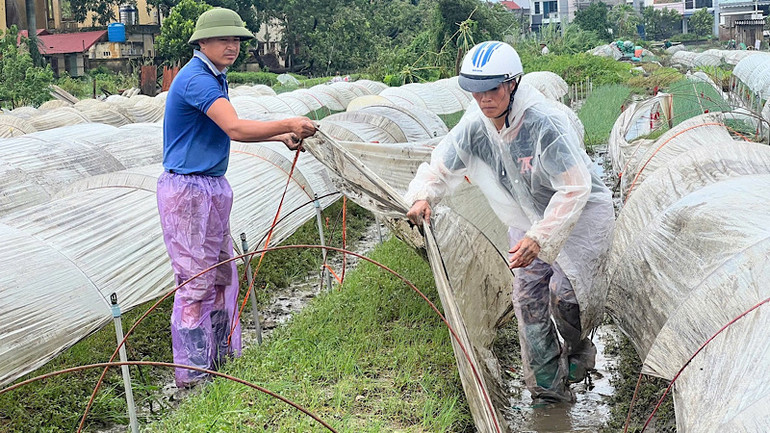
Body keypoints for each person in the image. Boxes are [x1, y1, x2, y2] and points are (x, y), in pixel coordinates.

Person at [405, 41, 614, 405]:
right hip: (525, 218)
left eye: (493, 90)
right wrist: (424, 195)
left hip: (578, 218)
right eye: (476, 92)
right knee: (528, 299)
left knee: (568, 297)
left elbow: (575, 187)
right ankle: (548, 390)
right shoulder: (475, 126)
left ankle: (579, 349)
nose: (484, 99)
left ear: (512, 85)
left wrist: (542, 237)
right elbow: (441, 165)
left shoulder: (544, 123)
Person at [158, 7, 317, 388]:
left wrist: (279, 137)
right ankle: (195, 375)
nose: (232, 47)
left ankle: (220, 357)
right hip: (188, 192)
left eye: (236, 40)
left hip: (211, 186)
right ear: (202, 43)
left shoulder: (216, 76)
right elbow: (233, 127)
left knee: (221, 277)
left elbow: (224, 128)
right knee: (195, 282)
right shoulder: (196, 79)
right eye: (224, 40)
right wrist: (289, 123)